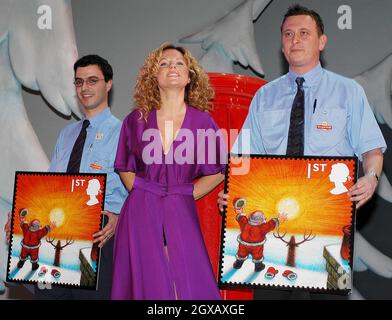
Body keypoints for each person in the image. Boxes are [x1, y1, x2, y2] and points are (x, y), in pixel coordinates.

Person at [217, 5, 386, 299]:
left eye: (304, 33)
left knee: (330, 297)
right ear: (282, 44)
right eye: (288, 34)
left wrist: (371, 177)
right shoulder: (263, 97)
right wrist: (232, 191)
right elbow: (242, 160)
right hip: (270, 218)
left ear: (321, 41)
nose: (295, 39)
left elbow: (372, 150)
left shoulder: (349, 92)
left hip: (330, 219)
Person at [111, 43, 226, 300]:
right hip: (140, 213)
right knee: (147, 286)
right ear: (154, 76)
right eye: (163, 63)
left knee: (185, 285)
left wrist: (186, 193)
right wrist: (144, 194)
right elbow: (124, 167)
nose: (171, 67)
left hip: (180, 210)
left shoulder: (203, 123)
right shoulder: (135, 120)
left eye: (178, 63)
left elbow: (218, 170)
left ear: (189, 76)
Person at [32, 54, 128, 299]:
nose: (84, 88)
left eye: (92, 80)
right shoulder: (66, 135)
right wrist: (28, 211)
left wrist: (120, 217)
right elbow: (50, 189)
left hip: (97, 236)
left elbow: (138, 190)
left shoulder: (124, 133)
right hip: (56, 233)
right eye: (79, 82)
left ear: (108, 84)